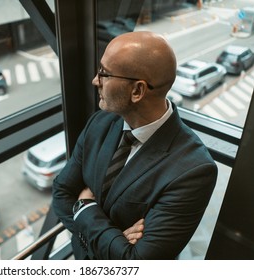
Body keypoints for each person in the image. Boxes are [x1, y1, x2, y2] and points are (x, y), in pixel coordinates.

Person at [52, 31, 218, 260]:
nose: (95, 80)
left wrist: (85, 207)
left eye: (104, 73)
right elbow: (61, 192)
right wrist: (113, 241)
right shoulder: (100, 122)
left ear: (137, 91)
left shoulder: (194, 170)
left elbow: (137, 262)